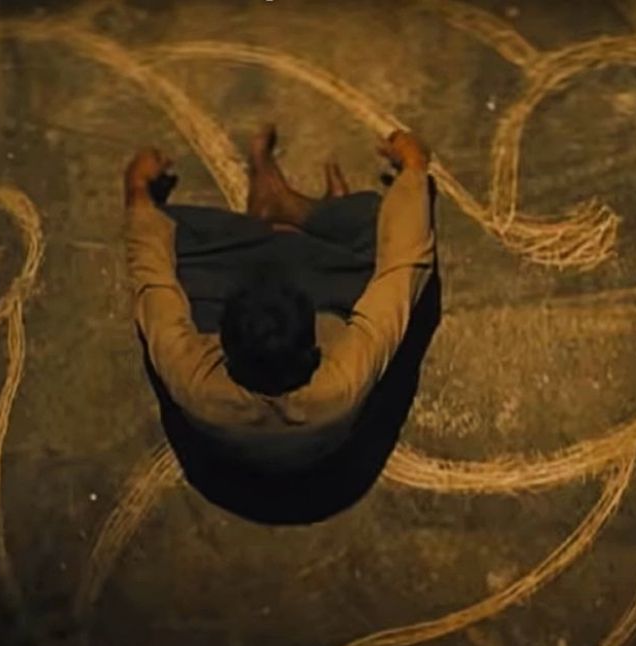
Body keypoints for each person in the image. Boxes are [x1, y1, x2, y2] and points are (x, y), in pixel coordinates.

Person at [124, 124, 435, 473]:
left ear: (223, 343)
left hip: (228, 460)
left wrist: (137, 188)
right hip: (326, 448)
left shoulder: (193, 379)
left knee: (169, 234)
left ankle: (273, 216)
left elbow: (152, 278)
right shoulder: (342, 380)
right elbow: (402, 267)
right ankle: (305, 217)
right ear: (315, 345)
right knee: (379, 220)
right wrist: (414, 167)